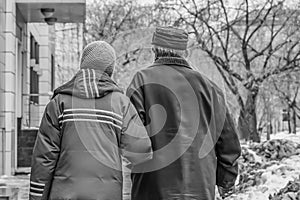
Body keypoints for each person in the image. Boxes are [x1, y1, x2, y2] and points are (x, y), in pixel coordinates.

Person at [127, 27, 241, 200]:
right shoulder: (210, 88)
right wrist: (226, 181)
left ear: (154, 50)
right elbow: (228, 141)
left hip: (151, 187)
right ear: (185, 53)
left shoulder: (141, 80)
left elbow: (132, 136)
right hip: (199, 188)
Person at [29, 41, 152, 200]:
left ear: (83, 65)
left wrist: (36, 196)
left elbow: (44, 158)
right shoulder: (121, 104)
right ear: (110, 70)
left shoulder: (59, 103)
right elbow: (141, 152)